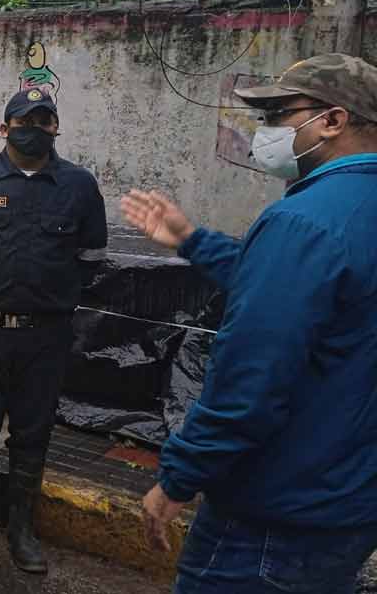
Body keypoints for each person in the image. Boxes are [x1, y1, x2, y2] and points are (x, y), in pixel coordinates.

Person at [122, 53, 377, 594]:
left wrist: (178, 478)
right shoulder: (346, 216)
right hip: (349, 503)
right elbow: (306, 297)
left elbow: (250, 381)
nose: (266, 132)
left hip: (274, 519)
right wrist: (193, 240)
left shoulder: (303, 222)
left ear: (332, 120)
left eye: (280, 114)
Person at [0, 89, 107, 573]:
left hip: (45, 336)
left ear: (56, 128)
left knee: (33, 432)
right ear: (5, 127)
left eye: (44, 121)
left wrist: (50, 301)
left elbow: (91, 262)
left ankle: (22, 528)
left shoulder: (78, 186)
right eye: (25, 121)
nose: (34, 129)